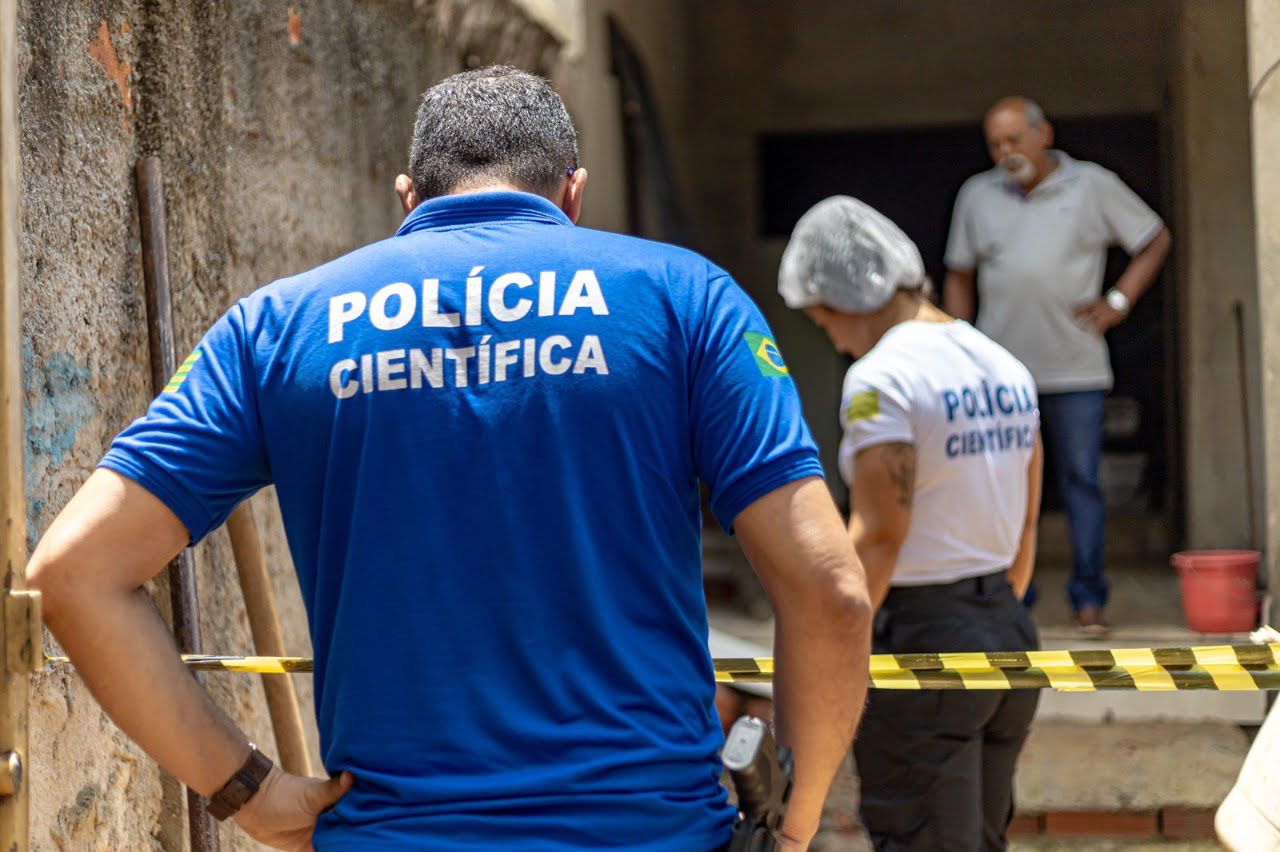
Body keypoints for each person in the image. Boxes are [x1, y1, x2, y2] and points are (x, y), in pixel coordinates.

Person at [27, 66, 872, 851]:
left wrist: (247, 789)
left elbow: (74, 572)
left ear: (407, 196)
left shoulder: (279, 328)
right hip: (651, 830)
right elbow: (831, 592)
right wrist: (792, 830)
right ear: (572, 193)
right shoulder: (686, 299)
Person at [780, 196, 1044, 850]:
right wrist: (993, 609)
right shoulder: (1001, 364)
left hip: (924, 633)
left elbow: (878, 535)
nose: (832, 339)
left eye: (822, 320)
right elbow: (1027, 521)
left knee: (920, 836)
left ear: (847, 297)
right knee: (980, 838)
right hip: (1007, 627)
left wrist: (829, 650)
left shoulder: (882, 379)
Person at [942, 96, 1171, 635]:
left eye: (1014, 140)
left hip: (1075, 369)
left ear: (1044, 135)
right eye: (995, 144)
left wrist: (1117, 303)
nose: (1005, 153)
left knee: (1080, 483)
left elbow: (1154, 239)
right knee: (1003, 487)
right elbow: (959, 273)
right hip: (999, 376)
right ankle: (1013, 599)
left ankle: (1088, 599)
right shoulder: (977, 196)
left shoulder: (1092, 185)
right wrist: (956, 344)